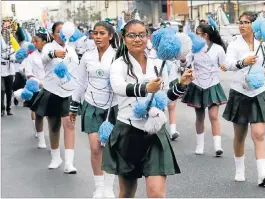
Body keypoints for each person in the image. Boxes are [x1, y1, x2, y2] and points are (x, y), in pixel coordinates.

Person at [101, 19, 194, 198]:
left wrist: (181, 84)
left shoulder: (158, 64)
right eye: (132, 35)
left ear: (148, 37)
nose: (137, 39)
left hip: (155, 132)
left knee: (157, 193)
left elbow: (164, 98)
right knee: (127, 192)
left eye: (141, 35)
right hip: (127, 133)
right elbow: (118, 87)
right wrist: (145, 88)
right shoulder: (118, 64)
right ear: (123, 37)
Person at [222, 11, 265, 186]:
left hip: (259, 92)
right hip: (240, 91)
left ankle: (262, 174)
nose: (242, 25)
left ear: (255, 25)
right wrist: (243, 63)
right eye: (240, 22)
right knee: (240, 135)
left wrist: (262, 72)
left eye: (246, 22)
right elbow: (228, 63)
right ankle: (240, 169)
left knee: (259, 134)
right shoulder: (234, 44)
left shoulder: (263, 45)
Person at [69, 21, 119, 198]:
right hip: (91, 104)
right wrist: (74, 106)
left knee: (111, 148)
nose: (97, 37)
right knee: (95, 147)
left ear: (111, 36)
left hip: (113, 107)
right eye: (95, 33)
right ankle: (99, 187)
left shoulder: (118, 56)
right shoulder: (87, 56)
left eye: (102, 33)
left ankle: (109, 187)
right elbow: (80, 82)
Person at [31, 21, 78, 173]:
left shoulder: (71, 49)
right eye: (59, 31)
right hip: (52, 91)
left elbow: (76, 71)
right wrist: (54, 54)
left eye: (64, 31)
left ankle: (69, 163)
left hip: (68, 92)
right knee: (54, 126)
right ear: (53, 34)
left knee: (69, 124)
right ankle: (55, 157)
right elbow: (45, 57)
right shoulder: (48, 47)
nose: (62, 34)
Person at [181, 24, 227, 156]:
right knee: (200, 116)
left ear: (205, 35)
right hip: (197, 85)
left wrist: (224, 66)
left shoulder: (218, 49)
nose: (195, 36)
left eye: (198, 33)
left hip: (213, 84)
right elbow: (185, 63)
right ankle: (200, 145)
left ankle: (217, 146)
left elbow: (224, 64)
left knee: (213, 116)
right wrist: (183, 58)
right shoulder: (193, 49)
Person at [24, 30, 48, 146]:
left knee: (51, 114)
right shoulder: (31, 57)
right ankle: (40, 136)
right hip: (36, 87)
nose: (34, 43)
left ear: (44, 42)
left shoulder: (51, 54)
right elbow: (28, 72)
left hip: (50, 87)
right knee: (38, 113)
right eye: (33, 41)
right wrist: (38, 82)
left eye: (36, 41)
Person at [1, 22, 15, 116]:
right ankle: (2, 109)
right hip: (1, 69)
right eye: (4, 27)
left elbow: (16, 53)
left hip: (10, 69)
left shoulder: (13, 41)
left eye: (8, 27)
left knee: (9, 90)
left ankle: (8, 108)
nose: (6, 29)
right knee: (1, 90)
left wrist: (12, 56)